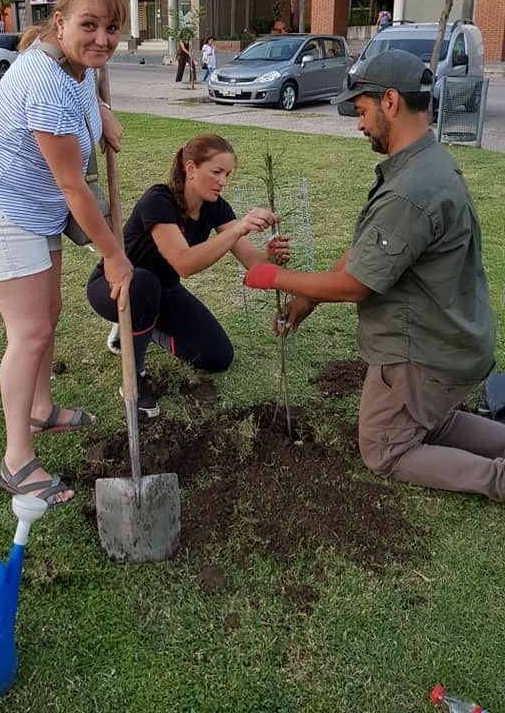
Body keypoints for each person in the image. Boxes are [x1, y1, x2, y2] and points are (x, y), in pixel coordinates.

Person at [244, 49, 505, 501]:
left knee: (385, 450)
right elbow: (370, 252)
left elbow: (356, 285)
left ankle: (496, 479)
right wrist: (309, 299)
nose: (359, 124)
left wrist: (274, 277)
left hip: (425, 353)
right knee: (431, 419)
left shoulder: (410, 190)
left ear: (389, 101)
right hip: (456, 343)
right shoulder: (426, 164)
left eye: (361, 111)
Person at [0, 0, 133, 506]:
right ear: (61, 22)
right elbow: (73, 187)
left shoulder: (73, 66)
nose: (102, 38)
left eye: (111, 28)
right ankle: (17, 461)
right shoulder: (45, 81)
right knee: (30, 331)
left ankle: (40, 409)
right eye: (89, 25)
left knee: (48, 313)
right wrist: (114, 257)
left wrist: (99, 112)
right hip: (3, 213)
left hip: (36, 213)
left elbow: (80, 90)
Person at [87, 134, 289, 419]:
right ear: (191, 168)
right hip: (116, 287)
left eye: (227, 174)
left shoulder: (216, 207)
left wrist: (269, 255)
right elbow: (184, 263)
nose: (223, 181)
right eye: (216, 172)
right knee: (144, 282)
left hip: (163, 292)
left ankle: (138, 330)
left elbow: (252, 262)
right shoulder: (159, 200)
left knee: (218, 357)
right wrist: (237, 229)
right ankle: (135, 374)